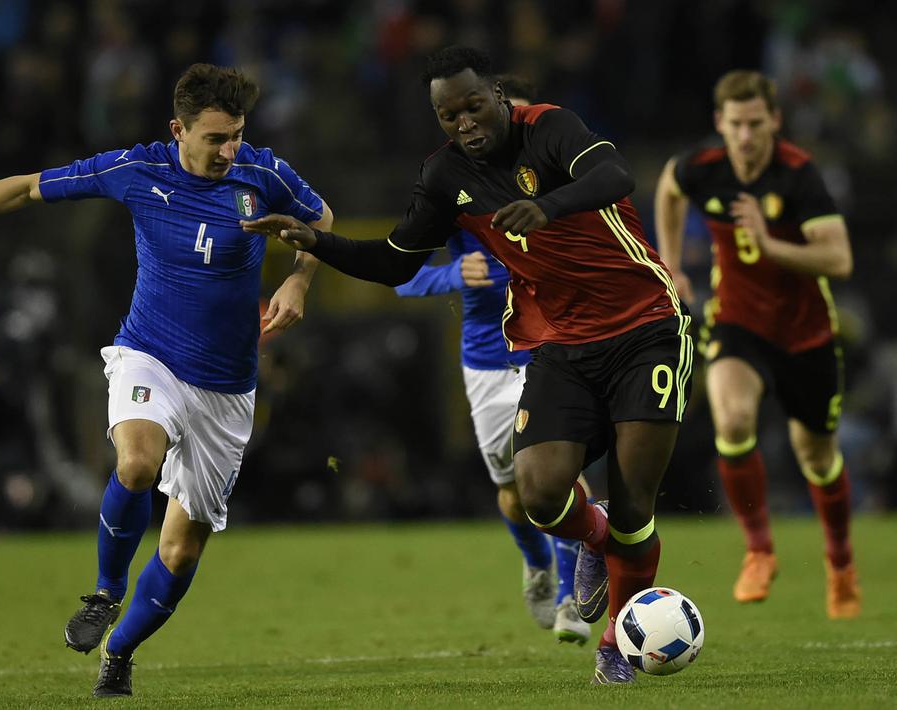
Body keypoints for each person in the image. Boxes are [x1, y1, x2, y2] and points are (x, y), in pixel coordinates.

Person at [0, 64, 332, 698]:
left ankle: (119, 650)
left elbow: (321, 217)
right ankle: (105, 592)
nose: (229, 150)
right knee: (138, 463)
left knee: (180, 553)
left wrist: (299, 278)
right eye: (215, 138)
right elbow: (28, 188)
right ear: (178, 130)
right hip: (151, 355)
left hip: (227, 387)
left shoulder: (264, 173)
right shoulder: (135, 169)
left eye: (236, 136)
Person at [244, 46, 692, 685]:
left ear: (498, 97)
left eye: (474, 106)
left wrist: (549, 206)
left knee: (632, 502)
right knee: (539, 493)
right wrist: (318, 241)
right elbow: (396, 261)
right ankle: (593, 540)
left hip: (645, 328)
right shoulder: (444, 175)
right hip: (560, 344)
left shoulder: (550, 128)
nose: (464, 123)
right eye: (448, 115)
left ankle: (615, 647)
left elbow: (615, 175)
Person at [393, 76, 591, 645]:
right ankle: (537, 562)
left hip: (549, 348)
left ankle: (570, 596)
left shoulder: (560, 185)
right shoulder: (453, 188)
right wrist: (452, 274)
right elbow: (399, 276)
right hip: (485, 361)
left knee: (559, 474)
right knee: (512, 491)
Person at [654, 70, 858, 618]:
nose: (745, 136)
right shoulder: (704, 168)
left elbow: (839, 259)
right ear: (720, 123)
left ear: (774, 121)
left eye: (755, 124)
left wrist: (769, 245)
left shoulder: (798, 175)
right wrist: (671, 263)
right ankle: (759, 551)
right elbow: (669, 186)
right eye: (736, 124)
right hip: (737, 321)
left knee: (817, 455)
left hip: (805, 332)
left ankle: (840, 562)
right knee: (734, 419)